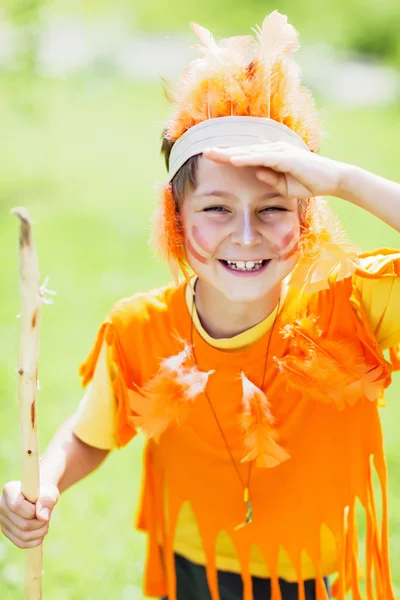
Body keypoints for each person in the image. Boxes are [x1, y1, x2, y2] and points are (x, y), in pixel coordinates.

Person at [1, 11, 400, 600]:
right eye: (216, 209)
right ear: (176, 221)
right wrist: (47, 481)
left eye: (272, 208)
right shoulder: (141, 329)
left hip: (313, 576)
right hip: (193, 567)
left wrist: (338, 178)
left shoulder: (353, 311)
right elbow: (92, 433)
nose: (245, 235)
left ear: (306, 218)